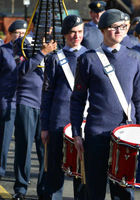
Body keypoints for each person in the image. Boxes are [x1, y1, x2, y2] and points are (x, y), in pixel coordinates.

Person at [70, 9, 140, 199]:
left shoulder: (135, 58)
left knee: (123, 193)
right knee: (94, 190)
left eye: (123, 27)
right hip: (96, 133)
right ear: (103, 30)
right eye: (114, 27)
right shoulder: (87, 59)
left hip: (126, 134)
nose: (120, 31)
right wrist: (76, 134)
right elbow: (77, 99)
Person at [41, 15, 88, 199]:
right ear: (64, 35)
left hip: (83, 122)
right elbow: (46, 95)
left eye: (80, 32)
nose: (76, 36)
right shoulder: (54, 59)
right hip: (58, 123)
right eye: (72, 33)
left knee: (83, 175)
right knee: (54, 174)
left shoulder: (92, 57)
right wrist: (44, 126)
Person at [12, 19, 57, 199]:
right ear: (33, 25)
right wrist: (41, 53)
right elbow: (21, 70)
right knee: (23, 146)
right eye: (43, 25)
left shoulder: (56, 45)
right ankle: (21, 188)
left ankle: (43, 189)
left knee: (44, 150)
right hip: (27, 101)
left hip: (47, 105)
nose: (47, 28)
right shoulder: (23, 43)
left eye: (50, 25)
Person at [0, 20, 26, 179]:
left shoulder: (29, 52)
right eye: (17, 33)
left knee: (23, 143)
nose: (21, 36)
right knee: (4, 140)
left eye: (23, 33)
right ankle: (1, 171)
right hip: (6, 100)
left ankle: (21, 176)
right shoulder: (3, 51)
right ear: (10, 34)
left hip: (25, 102)